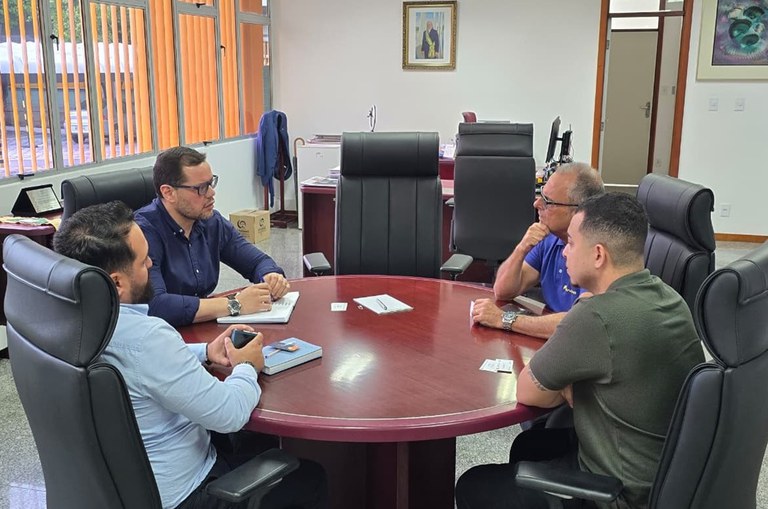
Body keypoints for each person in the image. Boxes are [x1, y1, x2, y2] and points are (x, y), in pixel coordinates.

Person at [53, 201, 327, 509]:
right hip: (186, 494)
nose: (152, 265)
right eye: (143, 262)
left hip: (113, 489)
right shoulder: (148, 338)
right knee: (310, 478)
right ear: (117, 282)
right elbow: (231, 414)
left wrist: (205, 352)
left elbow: (140, 366)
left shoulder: (65, 321)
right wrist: (247, 365)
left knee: (257, 442)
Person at [455, 193, 704, 509]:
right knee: (531, 445)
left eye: (571, 243)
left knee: (475, 485)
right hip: (662, 475)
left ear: (598, 255)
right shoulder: (670, 298)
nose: (564, 252)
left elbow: (529, 392)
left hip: (621, 494)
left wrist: (568, 377)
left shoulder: (597, 316)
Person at [134, 146, 291, 327]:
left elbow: (257, 262)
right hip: (160, 332)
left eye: (210, 183)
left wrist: (270, 276)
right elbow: (156, 306)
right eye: (201, 188)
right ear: (168, 193)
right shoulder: (143, 233)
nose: (211, 193)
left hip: (201, 325)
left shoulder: (211, 222)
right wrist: (234, 304)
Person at [471, 162, 604, 338]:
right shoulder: (550, 238)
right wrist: (522, 248)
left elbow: (579, 323)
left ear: (578, 211)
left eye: (548, 201)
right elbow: (503, 290)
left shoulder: (595, 253)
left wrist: (505, 319)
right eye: (541, 195)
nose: (536, 203)